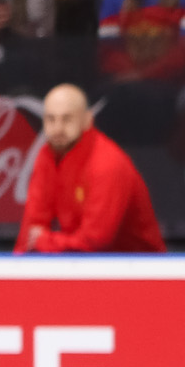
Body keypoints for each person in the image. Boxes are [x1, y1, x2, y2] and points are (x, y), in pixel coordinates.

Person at [15, 84, 165, 251]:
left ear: (87, 120)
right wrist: (16, 267)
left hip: (139, 269)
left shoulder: (107, 164)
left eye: (67, 119)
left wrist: (44, 240)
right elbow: (31, 229)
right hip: (78, 263)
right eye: (51, 119)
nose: (57, 128)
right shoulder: (47, 156)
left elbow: (96, 241)